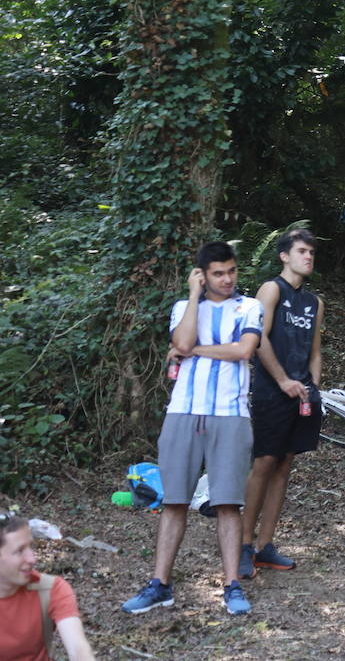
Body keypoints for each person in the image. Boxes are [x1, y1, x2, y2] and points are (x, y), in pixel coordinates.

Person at [123, 241, 263, 616]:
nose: (227, 279)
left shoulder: (249, 306)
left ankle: (232, 586)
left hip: (230, 415)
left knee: (228, 503)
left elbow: (243, 351)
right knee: (174, 502)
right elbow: (181, 341)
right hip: (183, 411)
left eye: (231, 271)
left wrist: (196, 351)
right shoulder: (185, 308)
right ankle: (160, 585)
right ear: (203, 274)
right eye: (218, 273)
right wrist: (193, 294)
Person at [241, 229, 324, 581]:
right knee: (264, 462)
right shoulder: (271, 289)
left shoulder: (315, 303)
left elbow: (315, 350)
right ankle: (243, 545)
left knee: (286, 464)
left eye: (311, 252)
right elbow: (258, 341)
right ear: (284, 256)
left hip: (301, 395)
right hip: (271, 391)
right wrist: (283, 381)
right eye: (302, 251)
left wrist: (313, 387)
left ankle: (266, 545)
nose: (308, 257)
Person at [0, 515, 95, 660]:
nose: (32, 559)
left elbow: (79, 650)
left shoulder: (49, 589)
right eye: (19, 551)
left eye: (30, 546)